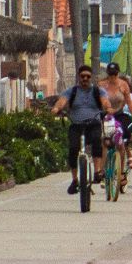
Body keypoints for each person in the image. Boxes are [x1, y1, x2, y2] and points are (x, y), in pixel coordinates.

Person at [51, 65, 115, 194]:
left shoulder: (98, 91)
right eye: (82, 76)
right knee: (73, 149)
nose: (85, 78)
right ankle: (75, 180)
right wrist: (56, 109)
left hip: (93, 124)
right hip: (76, 125)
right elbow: (62, 101)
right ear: (78, 77)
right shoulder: (72, 91)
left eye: (88, 76)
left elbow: (105, 102)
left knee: (97, 140)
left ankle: (97, 171)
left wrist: (108, 109)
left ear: (91, 78)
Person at [100, 62, 132, 182]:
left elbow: (129, 102)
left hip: (119, 115)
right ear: (107, 74)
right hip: (106, 115)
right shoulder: (102, 85)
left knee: (121, 141)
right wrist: (107, 108)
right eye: (110, 75)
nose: (112, 77)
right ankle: (102, 171)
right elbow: (101, 99)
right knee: (105, 142)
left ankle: (122, 171)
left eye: (115, 74)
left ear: (118, 73)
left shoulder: (123, 85)